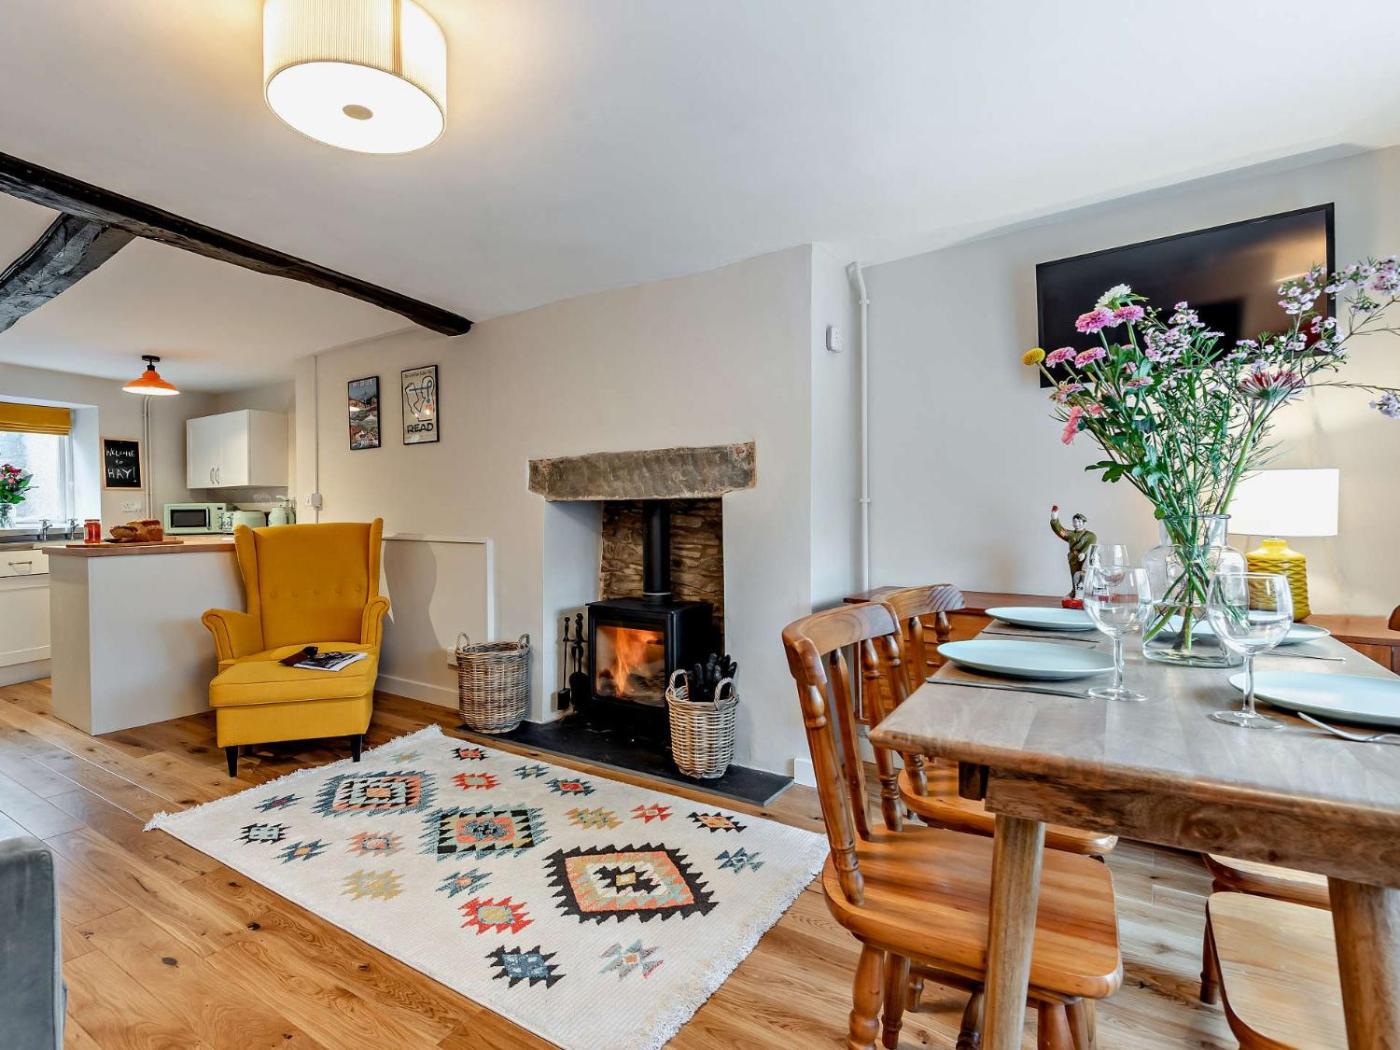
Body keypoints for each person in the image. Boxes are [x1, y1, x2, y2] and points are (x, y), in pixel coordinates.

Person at [1050, 505, 1097, 600]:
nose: (1077, 524)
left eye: (1079, 521)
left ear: (1084, 523)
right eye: (1075, 521)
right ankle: (1075, 592)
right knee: (1074, 576)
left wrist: (1083, 553)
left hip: (1085, 559)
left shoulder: (1090, 535)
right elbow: (1060, 531)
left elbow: (1091, 544)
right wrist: (1054, 519)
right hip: (1073, 558)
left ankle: (1085, 593)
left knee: (1085, 576)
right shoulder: (1071, 534)